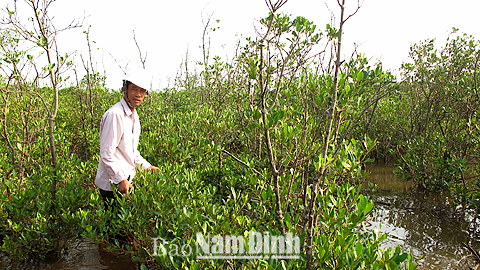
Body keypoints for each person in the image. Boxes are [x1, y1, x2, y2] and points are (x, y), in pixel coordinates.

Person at [95, 68, 159, 205]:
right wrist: (120, 179)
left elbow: (131, 152)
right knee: (111, 224)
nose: (138, 94)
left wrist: (147, 167)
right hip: (112, 186)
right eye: (134, 89)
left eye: (142, 91)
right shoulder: (115, 115)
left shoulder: (134, 116)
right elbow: (107, 153)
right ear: (125, 90)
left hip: (126, 183)